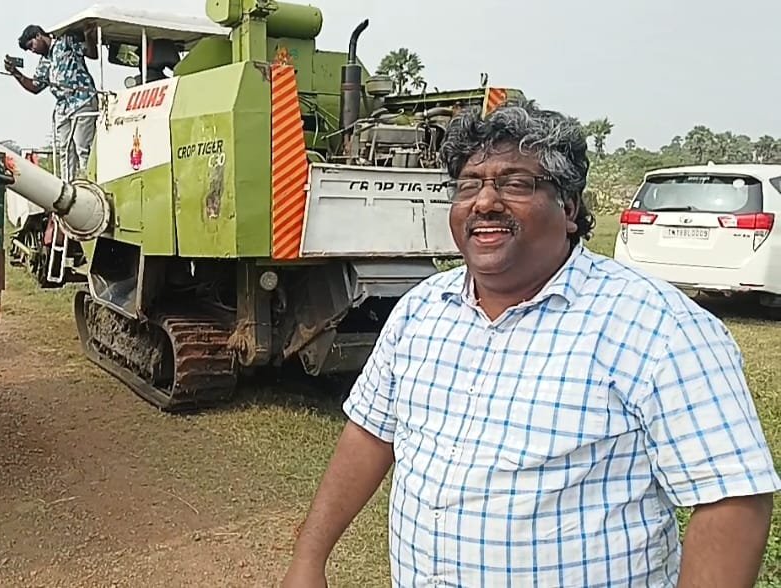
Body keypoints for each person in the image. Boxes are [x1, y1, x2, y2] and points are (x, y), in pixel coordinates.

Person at [283, 100, 779, 587]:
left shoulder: (659, 328)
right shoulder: (421, 310)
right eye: (468, 185)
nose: (484, 202)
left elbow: (733, 500)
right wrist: (309, 558)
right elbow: (370, 434)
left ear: (569, 207)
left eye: (515, 183)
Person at [6, 24, 99, 181]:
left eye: (32, 45)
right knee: (65, 150)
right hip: (63, 107)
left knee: (83, 147)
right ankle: (68, 184)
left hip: (82, 101)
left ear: (38, 36)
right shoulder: (44, 62)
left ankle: (89, 181)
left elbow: (92, 53)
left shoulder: (66, 42)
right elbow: (35, 87)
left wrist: (89, 36)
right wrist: (15, 73)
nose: (32, 50)